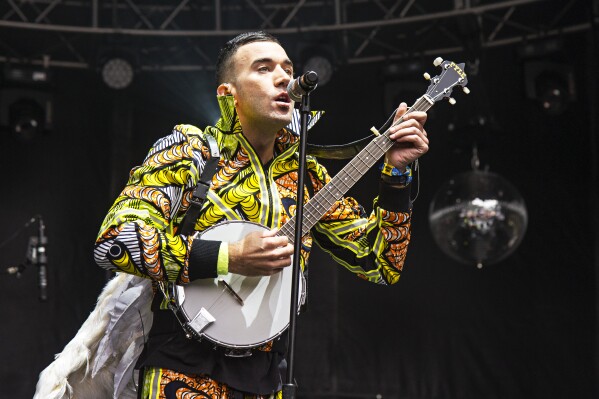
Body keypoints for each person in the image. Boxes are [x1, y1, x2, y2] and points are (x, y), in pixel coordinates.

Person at [93, 30, 428, 399]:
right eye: (264, 68)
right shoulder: (191, 151)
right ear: (228, 95)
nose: (284, 77)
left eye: (287, 68)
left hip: (267, 377)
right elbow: (115, 242)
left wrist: (396, 174)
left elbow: (382, 263)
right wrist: (230, 257)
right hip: (181, 364)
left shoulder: (307, 175)